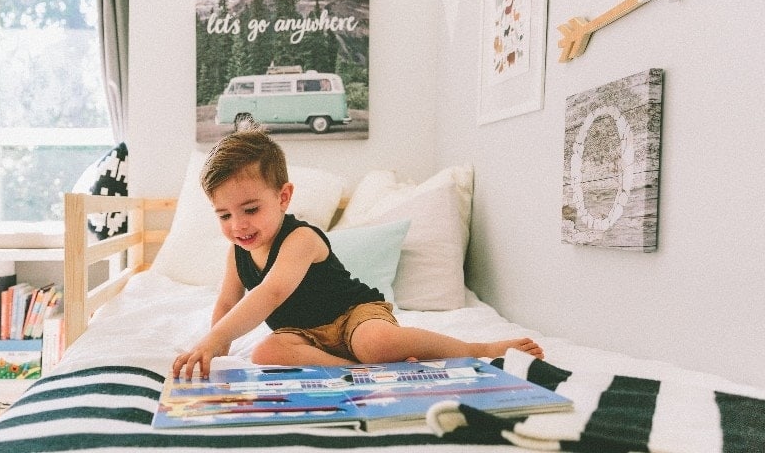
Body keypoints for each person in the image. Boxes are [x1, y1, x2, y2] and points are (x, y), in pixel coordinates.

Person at [172, 122, 543, 379]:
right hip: (302, 334)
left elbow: (272, 292)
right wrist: (215, 345)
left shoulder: (300, 238)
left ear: (283, 197)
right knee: (264, 352)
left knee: (377, 343)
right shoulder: (236, 253)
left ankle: (478, 347)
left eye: (250, 210)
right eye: (224, 214)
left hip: (353, 315)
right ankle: (346, 368)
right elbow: (226, 303)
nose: (238, 225)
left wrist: (217, 338)